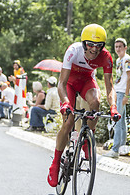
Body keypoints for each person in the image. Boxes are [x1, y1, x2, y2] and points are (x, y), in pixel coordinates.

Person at [47, 23, 120, 187]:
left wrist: (114, 107)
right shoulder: (73, 51)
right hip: (70, 84)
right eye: (90, 45)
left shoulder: (106, 57)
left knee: (96, 102)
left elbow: (110, 88)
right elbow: (61, 83)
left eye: (99, 46)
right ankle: (56, 163)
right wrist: (66, 103)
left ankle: (87, 139)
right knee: (69, 121)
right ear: (83, 43)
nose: (94, 49)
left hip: (86, 81)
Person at [104, 38, 130, 158]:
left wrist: (126, 95)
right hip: (118, 91)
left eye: (120, 46)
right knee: (122, 121)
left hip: (122, 92)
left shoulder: (128, 60)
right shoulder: (118, 60)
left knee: (116, 120)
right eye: (116, 46)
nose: (118, 49)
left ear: (125, 47)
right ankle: (121, 147)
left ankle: (115, 149)